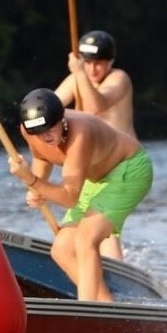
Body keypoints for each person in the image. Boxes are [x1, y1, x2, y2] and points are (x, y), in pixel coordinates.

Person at [8, 88, 153, 302]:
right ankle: (106, 307)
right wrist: (37, 188)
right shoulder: (29, 130)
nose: (44, 136)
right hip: (94, 180)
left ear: (61, 120)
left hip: (129, 170)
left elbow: (69, 198)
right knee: (62, 249)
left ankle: (89, 308)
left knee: (86, 239)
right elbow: (42, 157)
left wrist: (31, 180)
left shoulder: (80, 135)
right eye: (37, 132)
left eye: (49, 129)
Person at [53, 29, 135, 259]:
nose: (92, 70)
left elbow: (94, 107)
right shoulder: (77, 78)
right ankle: (79, 266)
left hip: (123, 167)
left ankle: (115, 276)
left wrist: (79, 74)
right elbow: (51, 107)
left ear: (110, 62)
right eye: (87, 63)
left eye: (99, 63)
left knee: (106, 231)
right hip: (94, 169)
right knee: (76, 225)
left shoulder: (119, 79)